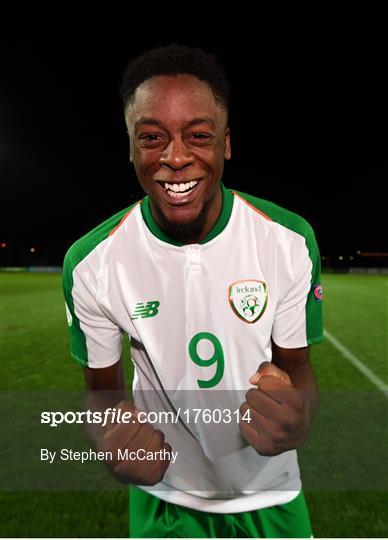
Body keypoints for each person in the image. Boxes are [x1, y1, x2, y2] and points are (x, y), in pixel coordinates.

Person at [63, 44, 324, 538]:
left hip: (272, 494)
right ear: (132, 147)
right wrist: (109, 442)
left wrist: (301, 416)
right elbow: (102, 395)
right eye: (152, 137)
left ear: (226, 143)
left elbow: (297, 369)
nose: (176, 157)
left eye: (198, 136)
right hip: (164, 502)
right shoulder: (91, 263)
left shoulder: (288, 240)